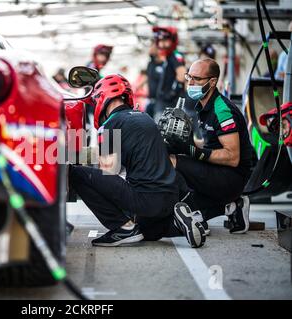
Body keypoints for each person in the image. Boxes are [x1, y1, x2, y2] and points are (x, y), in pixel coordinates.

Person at [69, 74, 206, 248]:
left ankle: (123, 228)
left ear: (102, 98)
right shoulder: (145, 117)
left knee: (76, 173)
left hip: (145, 199)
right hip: (170, 198)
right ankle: (178, 223)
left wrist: (73, 156)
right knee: (145, 232)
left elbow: (109, 171)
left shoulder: (110, 125)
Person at [166, 58, 252, 235]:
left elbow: (232, 156)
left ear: (212, 82)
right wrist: (183, 142)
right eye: (189, 76)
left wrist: (192, 150)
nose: (190, 82)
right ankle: (231, 206)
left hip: (232, 178)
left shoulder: (222, 110)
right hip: (218, 172)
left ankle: (197, 216)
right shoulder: (204, 106)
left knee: (173, 162)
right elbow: (210, 145)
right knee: (171, 153)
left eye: (197, 79)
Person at [146, 26, 187, 123]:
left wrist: (172, 92)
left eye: (165, 41)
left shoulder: (175, 55)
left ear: (173, 40)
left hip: (170, 104)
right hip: (165, 104)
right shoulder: (168, 57)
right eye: (160, 41)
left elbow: (182, 75)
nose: (162, 44)